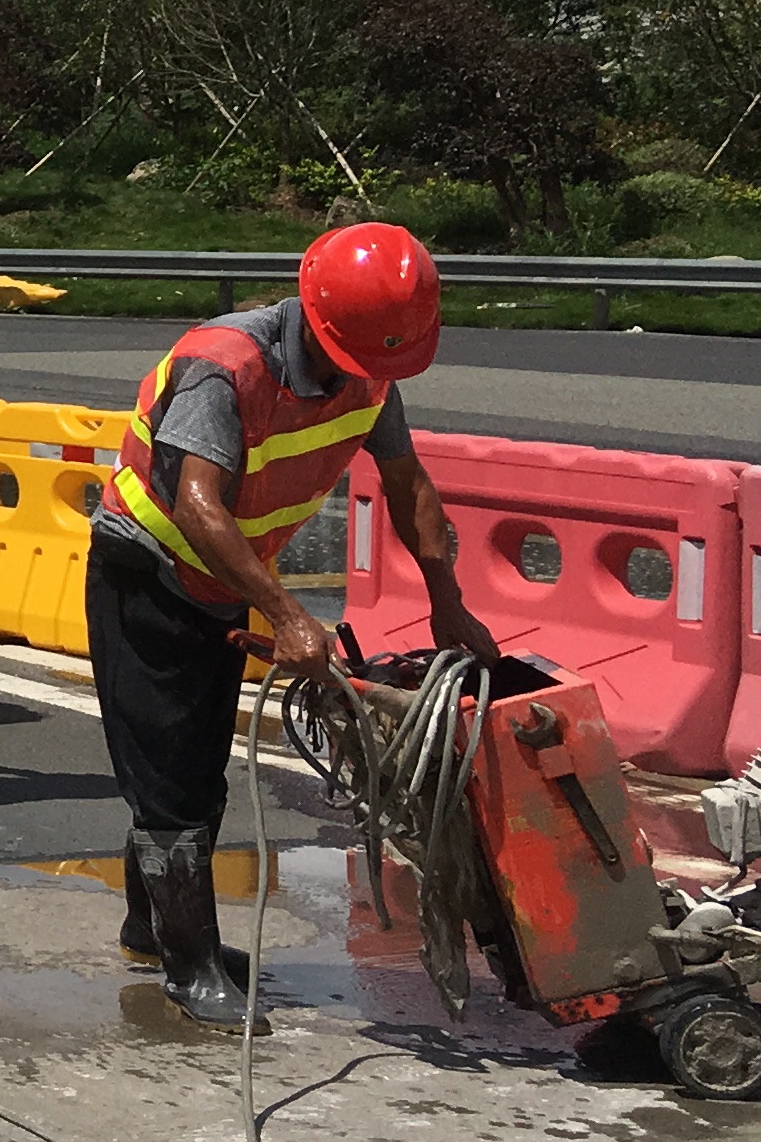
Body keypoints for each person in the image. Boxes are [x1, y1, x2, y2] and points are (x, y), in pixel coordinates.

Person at [90, 223, 493, 1024]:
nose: (367, 378)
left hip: (222, 581)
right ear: (316, 319)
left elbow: (408, 482)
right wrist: (286, 614)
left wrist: (447, 598)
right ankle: (189, 965)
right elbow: (198, 505)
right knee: (170, 776)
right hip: (148, 572)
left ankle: (153, 928)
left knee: (194, 766)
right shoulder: (225, 367)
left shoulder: (369, 370)